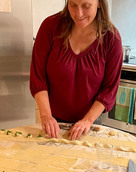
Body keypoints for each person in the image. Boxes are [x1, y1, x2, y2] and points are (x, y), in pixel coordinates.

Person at [30, 0, 123, 140]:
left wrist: (87, 120)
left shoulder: (111, 38)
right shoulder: (50, 27)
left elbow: (109, 89)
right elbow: (38, 76)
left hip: (90, 122)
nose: (78, 14)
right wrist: (46, 115)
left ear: (99, 3)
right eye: (73, 4)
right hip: (53, 119)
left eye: (86, 6)